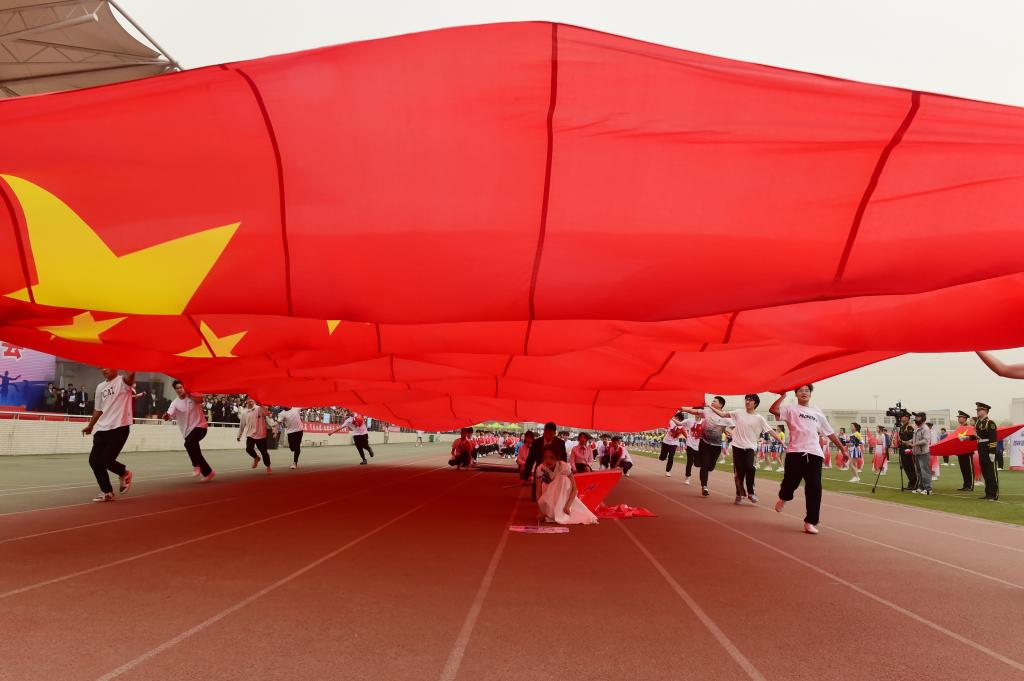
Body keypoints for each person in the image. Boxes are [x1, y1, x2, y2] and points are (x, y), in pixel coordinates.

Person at [769, 385, 847, 534]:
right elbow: (773, 410)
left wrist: (842, 449)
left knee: (815, 487)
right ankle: (784, 497)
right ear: (796, 394)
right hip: (795, 452)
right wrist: (782, 396)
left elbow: (829, 432)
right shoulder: (791, 409)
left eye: (807, 391)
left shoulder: (817, 412)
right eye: (800, 391)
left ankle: (810, 521)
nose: (804, 393)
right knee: (790, 483)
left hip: (814, 453)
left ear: (810, 394)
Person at [709, 394, 781, 505]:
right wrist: (709, 406)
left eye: (750, 400)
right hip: (737, 446)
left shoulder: (759, 418)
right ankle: (739, 494)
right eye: (746, 399)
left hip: (750, 448)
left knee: (750, 468)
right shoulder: (738, 412)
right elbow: (723, 414)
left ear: (755, 403)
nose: (747, 401)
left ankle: (751, 493)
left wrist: (781, 442)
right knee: (739, 473)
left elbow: (770, 431)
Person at [82, 368, 136, 502]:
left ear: (115, 366)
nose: (104, 370)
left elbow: (131, 375)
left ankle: (124, 473)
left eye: (107, 366)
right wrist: (90, 425)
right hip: (102, 429)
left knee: (106, 459)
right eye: (102, 367)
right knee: (94, 461)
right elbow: (98, 409)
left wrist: (120, 359)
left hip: (119, 427)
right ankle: (107, 492)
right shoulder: (100, 387)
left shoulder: (123, 381)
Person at [163, 379, 215, 482]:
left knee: (188, 444)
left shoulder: (192, 396)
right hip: (188, 432)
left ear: (184, 387)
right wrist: (166, 416)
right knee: (196, 452)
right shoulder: (175, 403)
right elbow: (169, 414)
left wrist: (190, 394)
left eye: (181, 387)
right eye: (177, 388)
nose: (179, 390)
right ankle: (209, 472)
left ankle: (196, 465)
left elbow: (200, 399)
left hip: (200, 426)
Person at [680, 397, 733, 497]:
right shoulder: (707, 411)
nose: (712, 402)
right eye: (712, 401)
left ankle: (699, 462)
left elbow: (732, 428)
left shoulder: (725, 417)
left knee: (710, 467)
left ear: (721, 405)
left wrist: (729, 432)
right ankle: (704, 486)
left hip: (716, 446)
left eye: (715, 401)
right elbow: (694, 411)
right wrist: (682, 408)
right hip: (704, 443)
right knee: (704, 465)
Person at [534, 445, 598, 525]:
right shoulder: (540, 469)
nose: (548, 460)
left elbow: (574, 489)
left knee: (563, 479)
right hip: (548, 495)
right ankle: (552, 511)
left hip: (564, 497)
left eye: (551, 457)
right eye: (545, 457)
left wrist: (568, 506)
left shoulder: (564, 466)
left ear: (557, 458)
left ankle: (560, 510)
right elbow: (538, 492)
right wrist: (541, 511)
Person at [970, 401, 999, 501]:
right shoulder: (978, 422)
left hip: (988, 448)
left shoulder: (990, 423)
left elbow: (993, 438)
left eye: (979, 410)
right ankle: (988, 493)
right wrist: (967, 438)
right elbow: (977, 436)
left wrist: (992, 452)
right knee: (985, 472)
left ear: (985, 411)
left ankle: (993, 494)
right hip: (981, 448)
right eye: (977, 410)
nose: (977, 411)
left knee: (991, 472)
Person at [522, 422, 567, 486]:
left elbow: (563, 460)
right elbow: (530, 460)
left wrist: (563, 474)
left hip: (555, 473)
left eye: (550, 434)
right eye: (546, 433)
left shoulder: (560, 443)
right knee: (537, 491)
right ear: (544, 431)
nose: (548, 436)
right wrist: (525, 477)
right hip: (539, 472)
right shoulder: (536, 442)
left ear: (555, 433)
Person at [237, 398, 272, 473]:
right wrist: (239, 436)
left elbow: (266, 413)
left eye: (252, 399)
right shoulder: (244, 412)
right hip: (250, 435)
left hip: (261, 434)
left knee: (264, 452)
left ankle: (268, 466)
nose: (250, 401)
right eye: (248, 399)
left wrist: (262, 405)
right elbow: (242, 425)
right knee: (248, 449)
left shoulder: (259, 408)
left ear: (254, 401)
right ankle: (256, 458)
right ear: (246, 401)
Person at [909, 412, 932, 495]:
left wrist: (914, 444)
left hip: (923, 453)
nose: (915, 419)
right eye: (915, 417)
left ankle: (928, 489)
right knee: (919, 471)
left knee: (925, 471)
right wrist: (908, 441)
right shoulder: (917, 428)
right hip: (917, 452)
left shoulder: (925, 428)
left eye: (917, 417)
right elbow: (915, 438)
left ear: (922, 418)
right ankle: (921, 487)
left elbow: (925, 440)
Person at [659, 411, 687, 477]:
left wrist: (686, 445)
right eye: (674, 417)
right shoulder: (671, 422)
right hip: (665, 442)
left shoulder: (682, 428)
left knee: (671, 457)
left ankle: (668, 471)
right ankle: (663, 457)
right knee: (662, 458)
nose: (674, 419)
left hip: (673, 444)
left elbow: (686, 436)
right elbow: (665, 419)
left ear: (680, 420)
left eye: (676, 418)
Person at [896, 411, 918, 491]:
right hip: (902, 449)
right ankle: (911, 481)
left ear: (907, 418)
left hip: (908, 449)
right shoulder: (902, 427)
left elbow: (913, 438)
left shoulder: (909, 427)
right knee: (905, 466)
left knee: (910, 466)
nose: (901, 418)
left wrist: (908, 445)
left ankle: (914, 482)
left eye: (902, 416)